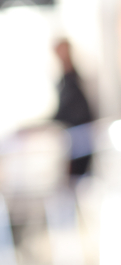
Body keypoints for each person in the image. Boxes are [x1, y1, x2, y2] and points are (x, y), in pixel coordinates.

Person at [52, 38, 94, 178]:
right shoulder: (64, 80)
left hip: (80, 139)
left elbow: (77, 111)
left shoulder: (75, 80)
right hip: (73, 138)